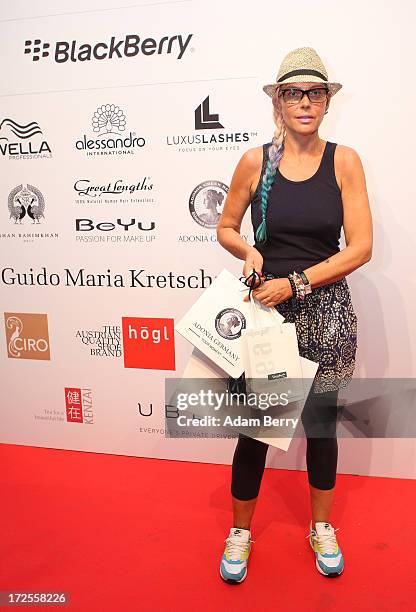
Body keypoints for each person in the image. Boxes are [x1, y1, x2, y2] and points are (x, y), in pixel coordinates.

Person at [216, 46, 373, 582]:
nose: (304, 102)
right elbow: (226, 227)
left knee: (321, 425)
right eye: (292, 93)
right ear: (277, 102)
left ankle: (321, 527)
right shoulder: (256, 162)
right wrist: (248, 252)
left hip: (326, 312)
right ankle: (240, 532)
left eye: (315, 93)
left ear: (327, 101)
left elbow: (360, 248)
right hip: (267, 318)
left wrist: (298, 282)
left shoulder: (345, 161)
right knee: (257, 429)